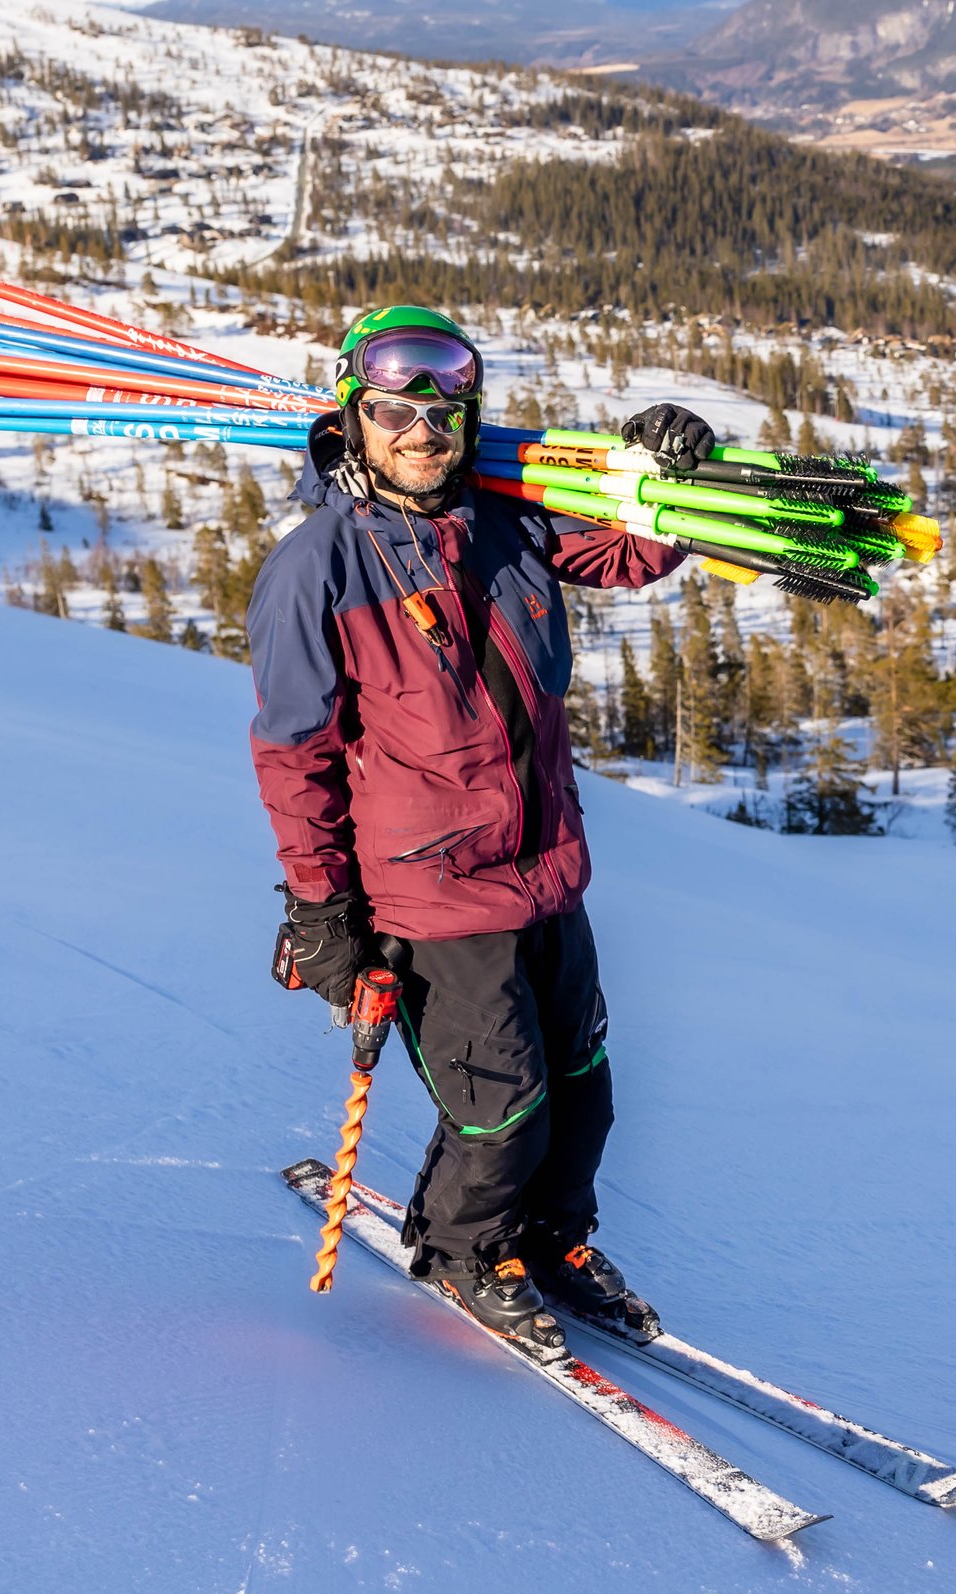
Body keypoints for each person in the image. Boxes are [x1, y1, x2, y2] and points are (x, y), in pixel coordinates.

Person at [246, 304, 722, 1361]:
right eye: (393, 415)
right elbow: (294, 753)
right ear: (353, 418)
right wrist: (320, 908)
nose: (421, 433)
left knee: (583, 1091)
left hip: (547, 871)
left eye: (442, 414)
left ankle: (551, 1239)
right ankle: (467, 1247)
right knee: (499, 1109)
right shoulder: (319, 566)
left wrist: (675, 484)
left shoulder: (508, 521)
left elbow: (627, 554)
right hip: (432, 894)